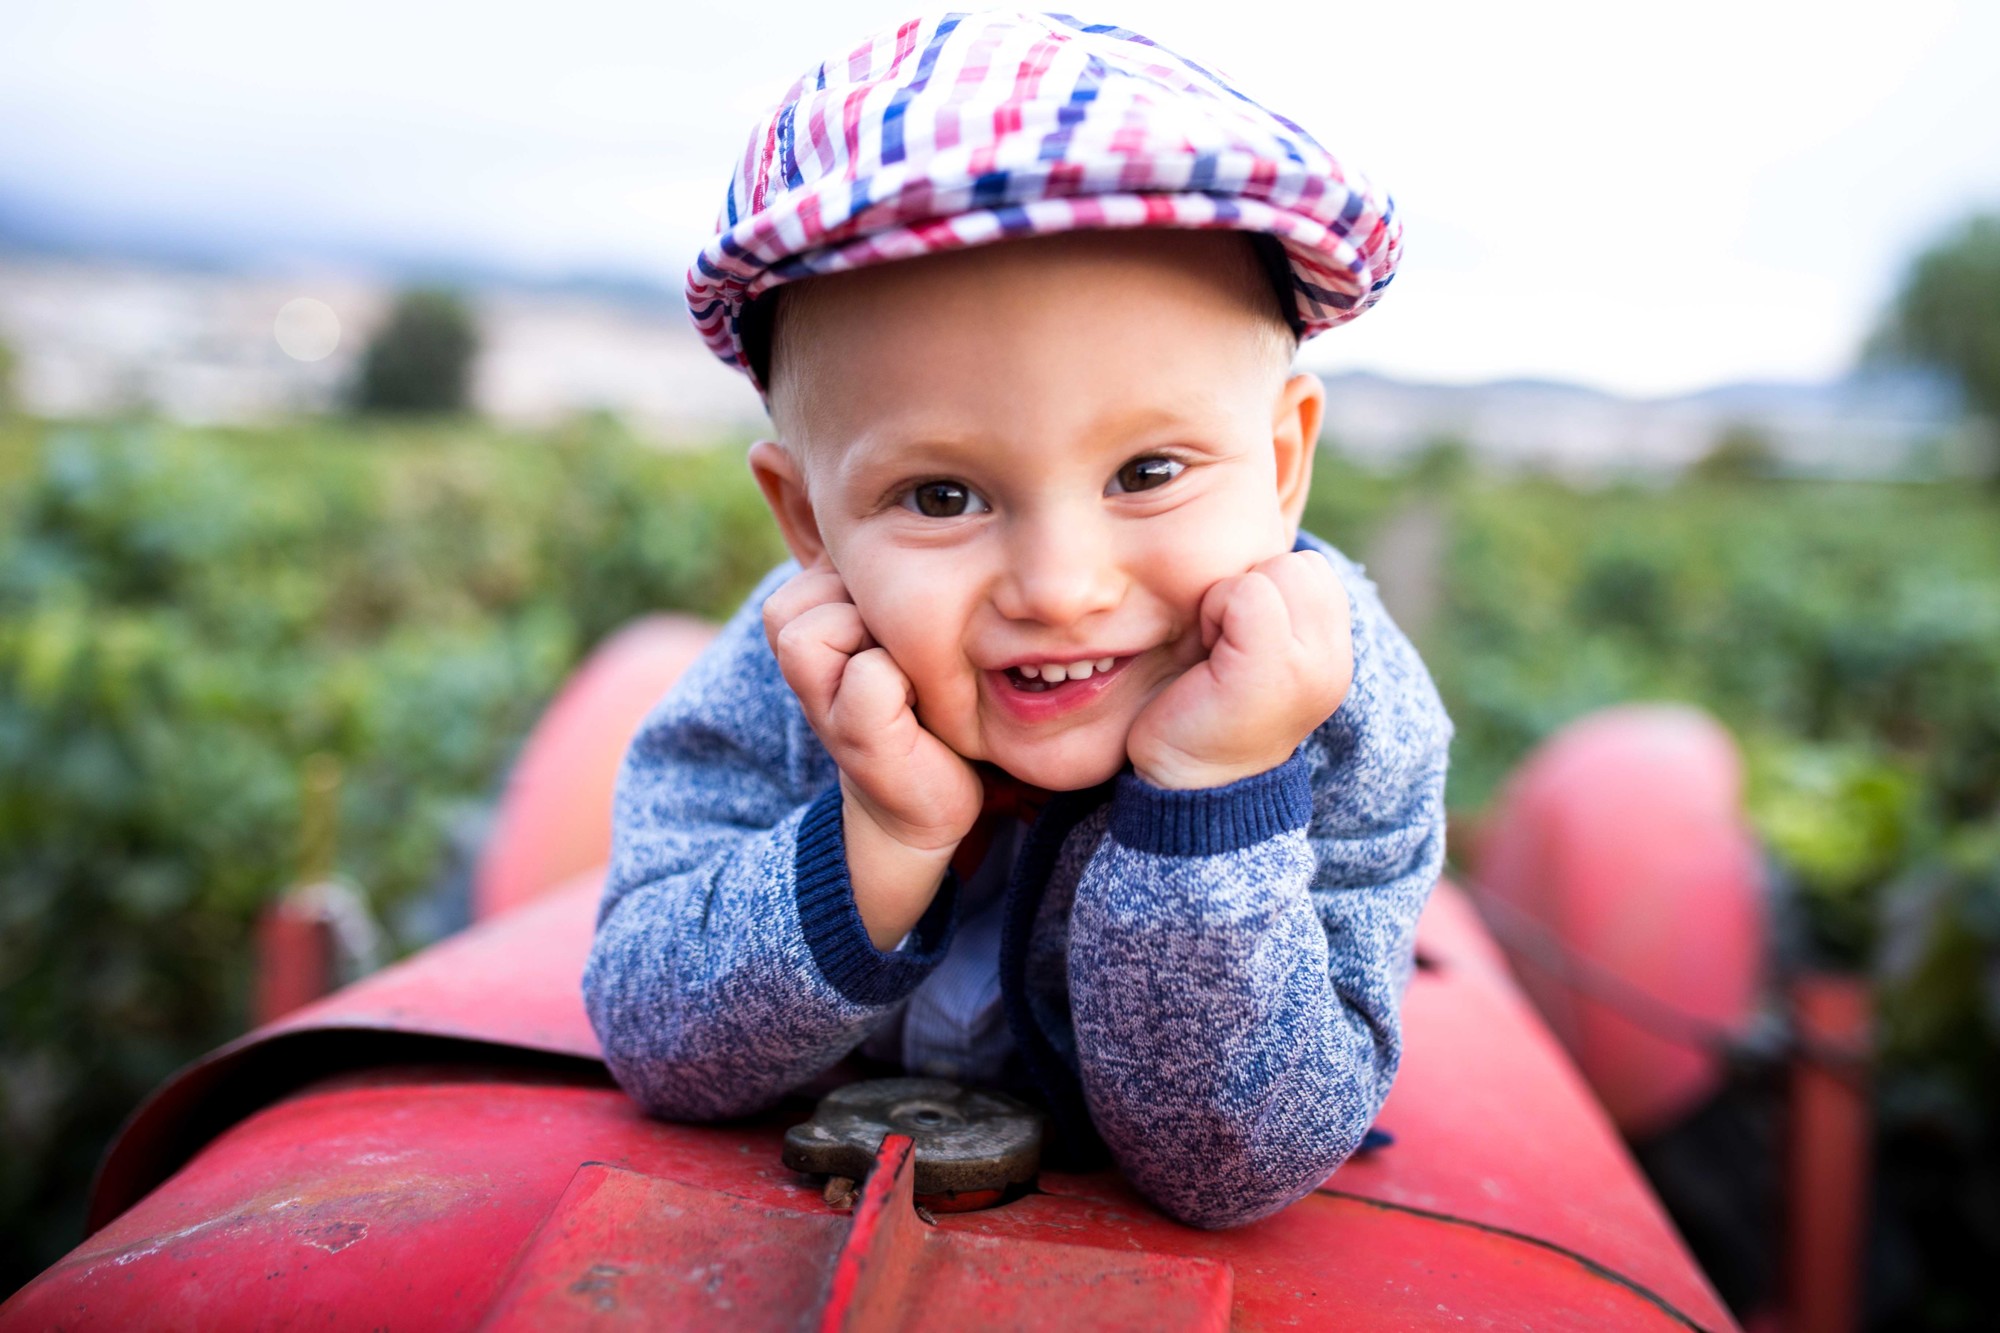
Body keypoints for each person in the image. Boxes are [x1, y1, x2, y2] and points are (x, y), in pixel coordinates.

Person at [583, 9, 1451, 1230]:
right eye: (941, 496)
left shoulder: (1346, 717)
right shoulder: (784, 679)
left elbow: (1238, 1163)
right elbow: (652, 1036)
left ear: (1281, 460)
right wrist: (877, 838)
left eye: (1147, 472)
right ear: (810, 523)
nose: (1058, 584)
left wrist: (1209, 801)